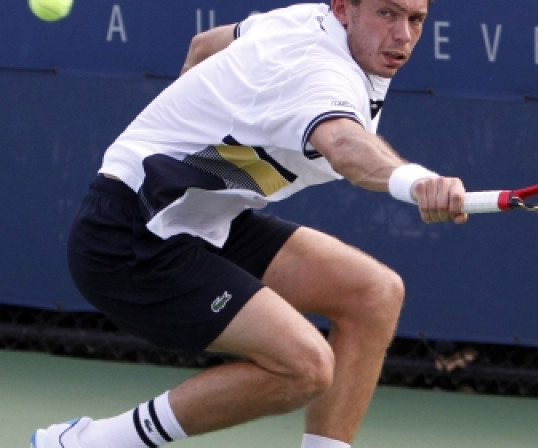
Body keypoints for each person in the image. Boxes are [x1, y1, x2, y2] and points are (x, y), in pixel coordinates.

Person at [31, 1, 466, 447]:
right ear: (342, 9)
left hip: (206, 216)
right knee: (304, 367)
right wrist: (417, 182)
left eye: (415, 19)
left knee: (374, 295)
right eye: (386, 13)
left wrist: (198, 114)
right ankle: (89, 444)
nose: (403, 35)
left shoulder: (305, 19)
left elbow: (205, 45)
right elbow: (342, 143)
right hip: (131, 232)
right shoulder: (316, 69)